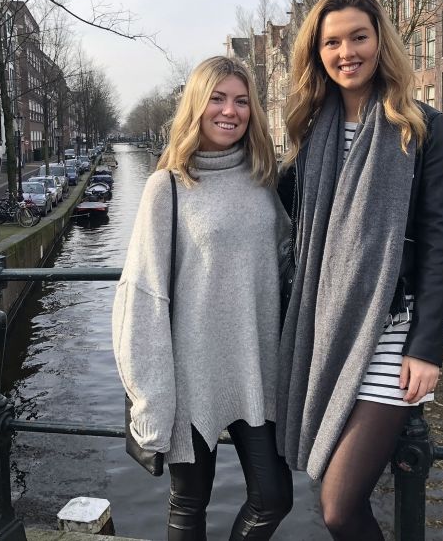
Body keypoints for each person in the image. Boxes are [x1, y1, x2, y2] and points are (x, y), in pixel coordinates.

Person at [276, 0, 443, 540]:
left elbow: (438, 242)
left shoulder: (421, 127)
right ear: (318, 53)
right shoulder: (308, 134)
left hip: (392, 335)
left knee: (337, 504)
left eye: (358, 36)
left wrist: (427, 348)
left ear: (380, 43)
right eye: (332, 42)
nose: (346, 52)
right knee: (329, 490)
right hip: (324, 331)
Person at [113, 56, 293, 541]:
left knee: (274, 497)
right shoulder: (166, 187)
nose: (229, 111)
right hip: (191, 373)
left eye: (240, 100)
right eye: (217, 98)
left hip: (258, 367)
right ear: (196, 105)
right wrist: (149, 396)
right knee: (191, 503)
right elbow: (144, 296)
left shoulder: (263, 182)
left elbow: (283, 267)